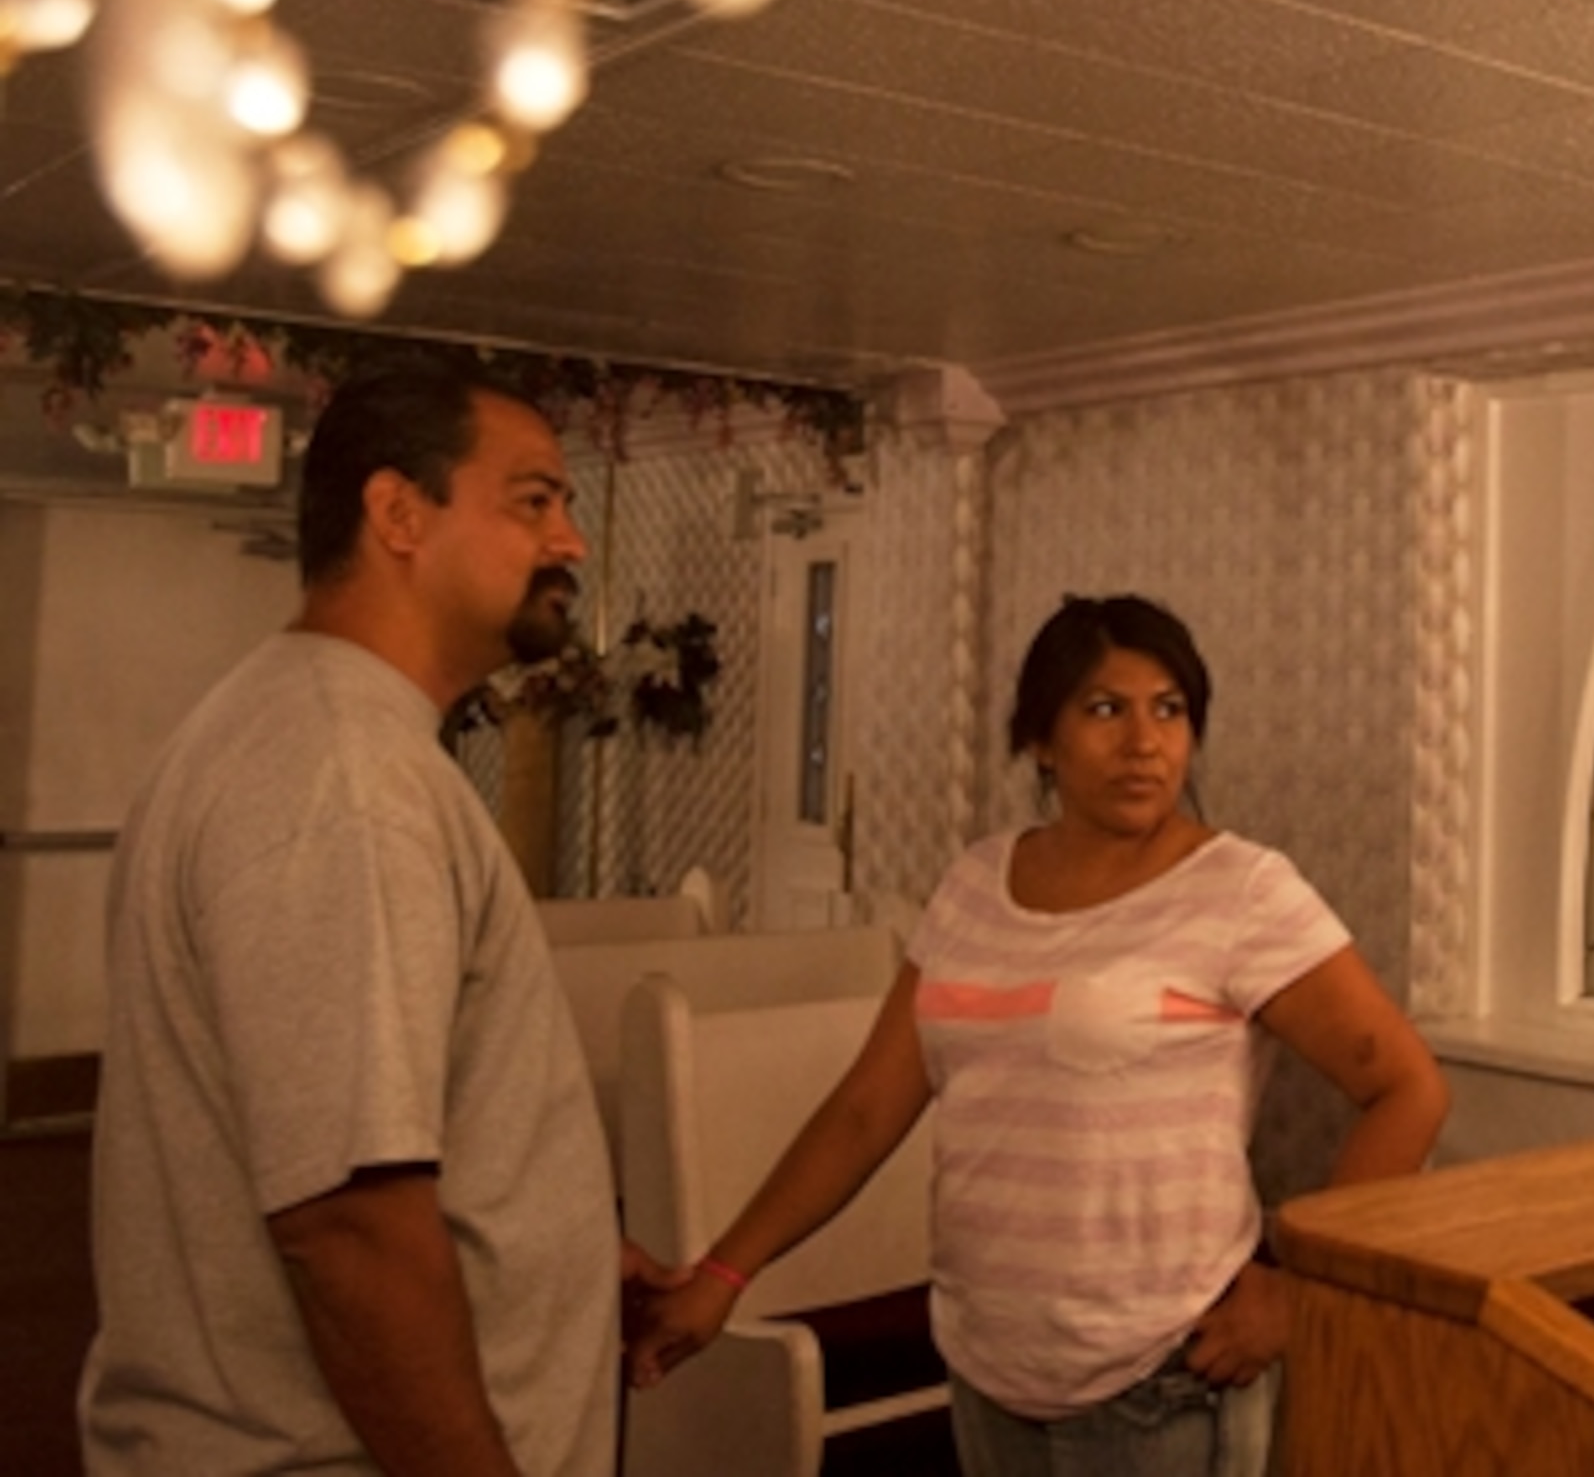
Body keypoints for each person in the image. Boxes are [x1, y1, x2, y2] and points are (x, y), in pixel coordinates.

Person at [628, 593, 1449, 1475]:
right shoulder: (976, 885)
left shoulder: (1241, 891)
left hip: (1163, 1375)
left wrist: (1302, 1292)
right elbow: (867, 1111)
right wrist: (725, 1274)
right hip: (989, 1364)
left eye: (1169, 711)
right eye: (1105, 709)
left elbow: (1407, 1090)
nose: (1144, 742)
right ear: (1040, 740)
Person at [81, 359, 652, 1474]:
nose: (570, 543)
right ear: (398, 513)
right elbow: (347, 1225)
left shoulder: (310, 728)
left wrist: (559, 1255)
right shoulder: (343, 778)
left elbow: (367, 1135)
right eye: (534, 501)